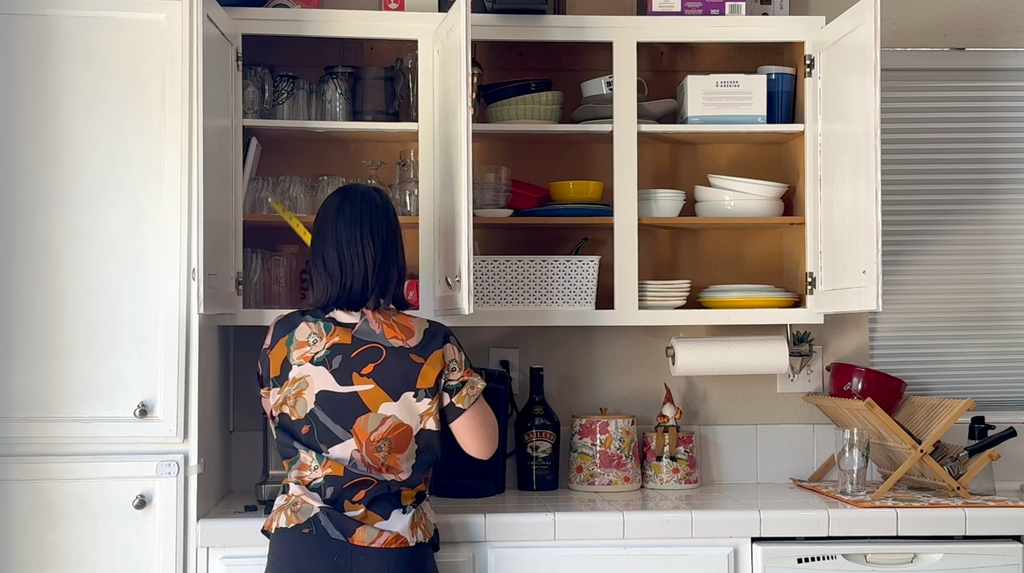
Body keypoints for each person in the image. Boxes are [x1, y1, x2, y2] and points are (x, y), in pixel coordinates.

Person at [257, 184, 499, 573]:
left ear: (320, 255)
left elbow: (276, 413)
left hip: (300, 544)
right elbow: (483, 446)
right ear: (391, 255)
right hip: (395, 547)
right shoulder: (431, 340)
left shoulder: (282, 336)